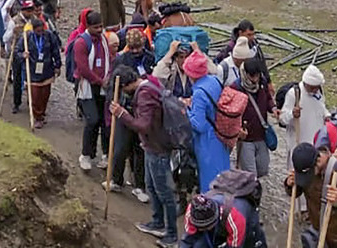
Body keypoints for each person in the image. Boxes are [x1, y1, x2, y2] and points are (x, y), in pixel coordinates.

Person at [110, 63, 180, 247]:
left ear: (126, 85)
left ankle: (172, 234)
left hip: (158, 147)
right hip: (151, 145)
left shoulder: (144, 95)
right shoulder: (150, 82)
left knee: (164, 191)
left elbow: (143, 125)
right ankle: (157, 222)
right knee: (151, 186)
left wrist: (122, 114)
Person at [103, 64, 150, 203]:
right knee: (119, 149)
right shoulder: (116, 84)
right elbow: (110, 97)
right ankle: (116, 180)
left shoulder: (142, 90)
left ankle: (139, 186)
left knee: (139, 152)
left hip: (138, 121)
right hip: (122, 120)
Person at [73, 10, 113, 171]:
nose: (99, 30)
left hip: (103, 85)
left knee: (104, 121)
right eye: (96, 27)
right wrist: (99, 81)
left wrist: (108, 77)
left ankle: (105, 154)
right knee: (92, 120)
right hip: (87, 86)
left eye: (101, 26)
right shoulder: (81, 43)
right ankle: (86, 154)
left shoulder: (103, 39)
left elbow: (109, 58)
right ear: (88, 26)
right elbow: (83, 68)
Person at [186, 49, 231, 192]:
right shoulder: (215, 81)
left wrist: (186, 111)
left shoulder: (199, 93)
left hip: (207, 141)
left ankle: (211, 210)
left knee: (210, 183)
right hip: (221, 135)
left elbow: (199, 125)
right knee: (223, 177)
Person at [234, 56, 274, 179]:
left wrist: (273, 108)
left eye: (257, 76)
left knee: (263, 168)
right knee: (250, 175)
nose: (255, 80)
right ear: (245, 74)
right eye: (252, 76)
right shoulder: (236, 88)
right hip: (246, 138)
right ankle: (251, 194)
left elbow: (267, 98)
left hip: (261, 135)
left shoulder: (262, 82)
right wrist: (237, 129)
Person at [278, 65, 328, 153]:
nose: (315, 90)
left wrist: (327, 116)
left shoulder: (319, 92)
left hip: (316, 143)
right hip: (299, 142)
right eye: (312, 87)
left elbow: (321, 108)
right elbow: (282, 118)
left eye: (317, 87)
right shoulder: (294, 94)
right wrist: (292, 114)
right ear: (305, 83)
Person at [22, 17, 61, 128]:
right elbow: (18, 51)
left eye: (42, 30)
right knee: (35, 96)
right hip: (32, 70)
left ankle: (41, 113)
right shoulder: (27, 37)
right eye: (38, 31)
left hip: (47, 69)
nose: (40, 33)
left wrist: (58, 65)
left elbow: (55, 51)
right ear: (33, 30)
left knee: (45, 95)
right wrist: (23, 55)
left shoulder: (49, 36)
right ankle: (37, 116)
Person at [180, 193, 247, 248]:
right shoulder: (191, 212)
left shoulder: (235, 218)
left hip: (242, 226)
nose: (202, 229)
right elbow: (187, 239)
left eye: (206, 227)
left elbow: (234, 246)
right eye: (200, 228)